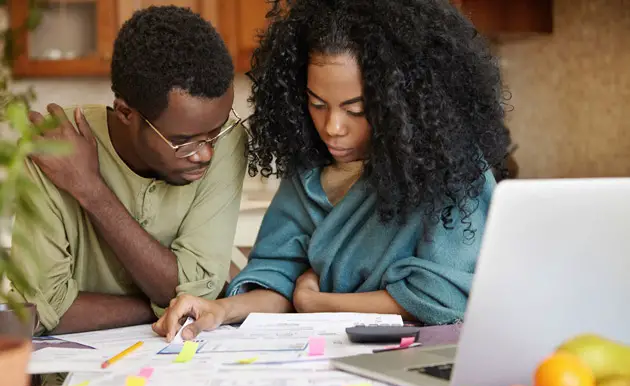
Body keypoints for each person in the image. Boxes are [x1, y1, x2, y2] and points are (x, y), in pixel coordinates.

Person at [153, 0, 512, 341]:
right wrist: (219, 310)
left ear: (402, 103)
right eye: (317, 104)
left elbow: (446, 296)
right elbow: (278, 279)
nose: (333, 127)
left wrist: (319, 303)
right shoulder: (309, 174)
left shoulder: (449, 170)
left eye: (355, 109)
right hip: (324, 361)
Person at [8, 5, 248, 335]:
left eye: (215, 132)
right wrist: (168, 302)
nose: (205, 153)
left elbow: (201, 294)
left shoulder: (229, 142)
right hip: (78, 379)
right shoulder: (57, 146)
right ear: (125, 114)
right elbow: (41, 311)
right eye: (183, 141)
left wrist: (91, 191)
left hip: (188, 365)